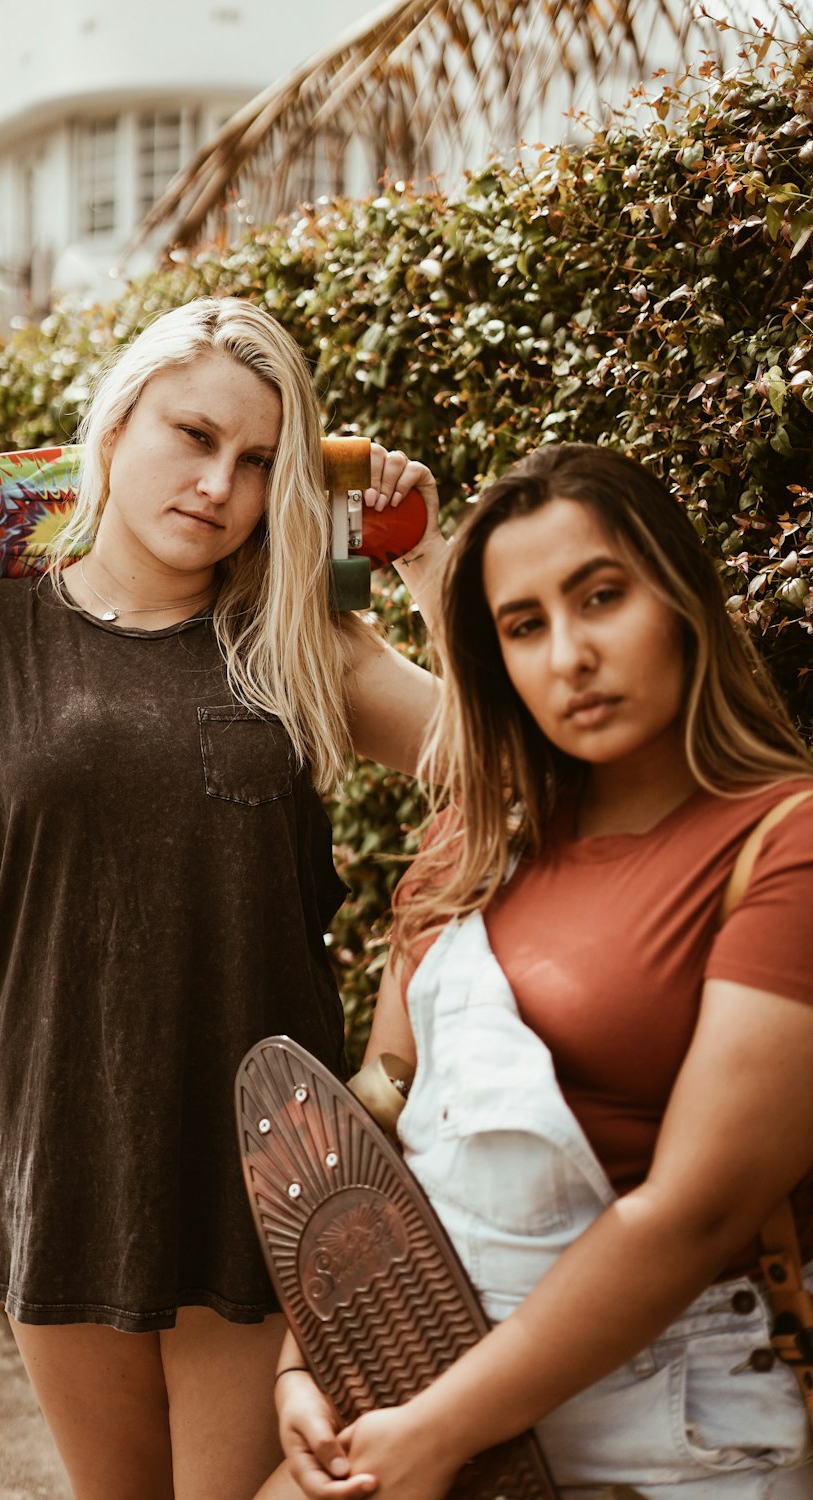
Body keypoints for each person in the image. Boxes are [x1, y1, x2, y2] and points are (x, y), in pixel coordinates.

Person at [0, 297, 449, 1500]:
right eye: (191, 434)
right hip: (66, 1158)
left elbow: (506, 767)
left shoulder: (303, 638)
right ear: (113, 428)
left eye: (256, 460)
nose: (217, 482)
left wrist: (426, 566)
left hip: (263, 1172)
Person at [264, 442, 813, 1500]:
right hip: (410, 1408)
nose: (568, 654)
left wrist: (435, 1429)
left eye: (599, 597)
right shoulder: (467, 843)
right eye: (524, 626)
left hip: (669, 1445)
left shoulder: (781, 843)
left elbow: (692, 1212)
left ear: (681, 600)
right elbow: (376, 1126)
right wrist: (307, 1363)